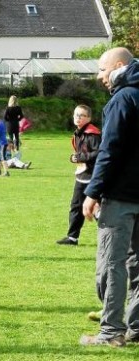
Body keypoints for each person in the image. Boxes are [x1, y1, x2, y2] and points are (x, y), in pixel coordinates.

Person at [80, 47, 139, 347]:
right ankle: (137, 326)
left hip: (120, 197)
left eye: (102, 69)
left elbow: (110, 150)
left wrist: (93, 192)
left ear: (118, 66)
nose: (99, 76)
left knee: (111, 264)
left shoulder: (122, 99)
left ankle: (111, 330)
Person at [56, 105, 101, 246]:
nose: (78, 117)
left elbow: (100, 152)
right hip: (81, 175)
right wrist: (74, 158)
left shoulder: (93, 134)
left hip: (93, 176)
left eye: (81, 115)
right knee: (76, 206)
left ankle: (111, 235)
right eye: (76, 114)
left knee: (97, 208)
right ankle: (72, 237)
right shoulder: (78, 132)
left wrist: (82, 157)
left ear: (89, 118)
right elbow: (79, 154)